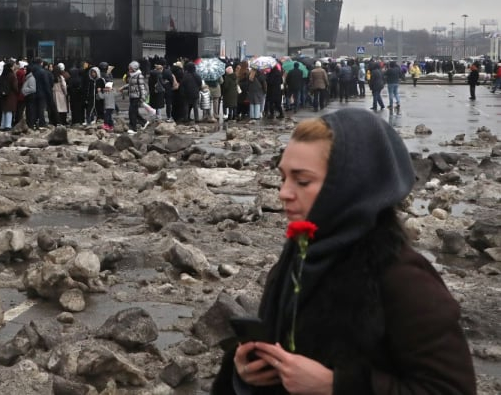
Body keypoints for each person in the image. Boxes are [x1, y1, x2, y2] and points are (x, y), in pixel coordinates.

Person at [212, 108, 476, 395]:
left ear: (350, 187)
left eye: (302, 181)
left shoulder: (402, 278)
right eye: (283, 177)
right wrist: (244, 371)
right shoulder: (299, 256)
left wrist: (337, 385)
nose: (284, 192)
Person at [121, 60, 148, 133]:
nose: (129, 69)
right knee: (134, 112)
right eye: (129, 68)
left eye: (130, 68)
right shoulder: (132, 75)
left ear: (134, 68)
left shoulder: (139, 76)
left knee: (132, 112)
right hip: (132, 96)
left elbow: (142, 87)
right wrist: (123, 87)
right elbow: (131, 85)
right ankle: (144, 122)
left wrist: (142, 98)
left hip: (137, 96)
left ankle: (133, 128)